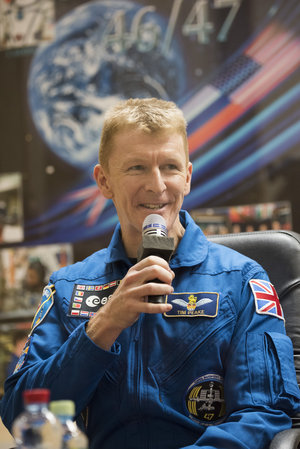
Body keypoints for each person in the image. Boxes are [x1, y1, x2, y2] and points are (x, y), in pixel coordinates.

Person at [1, 98, 299, 449]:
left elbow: (265, 413)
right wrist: (103, 325)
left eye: (170, 167)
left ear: (187, 177)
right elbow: (21, 410)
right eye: (136, 167)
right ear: (104, 181)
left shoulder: (242, 279)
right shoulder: (69, 287)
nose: (157, 185)